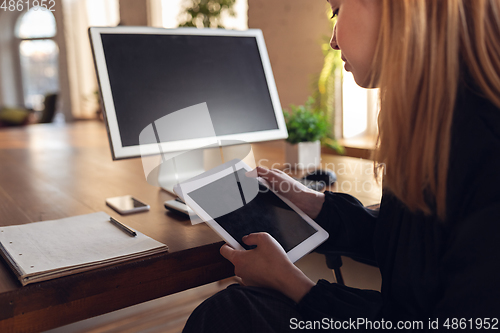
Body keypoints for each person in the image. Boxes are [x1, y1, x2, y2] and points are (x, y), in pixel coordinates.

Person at [183, 0, 500, 331]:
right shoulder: (440, 122)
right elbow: (413, 251)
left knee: (228, 314)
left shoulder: (485, 148)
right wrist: (317, 205)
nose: (333, 40)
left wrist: (293, 283)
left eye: (337, 10)